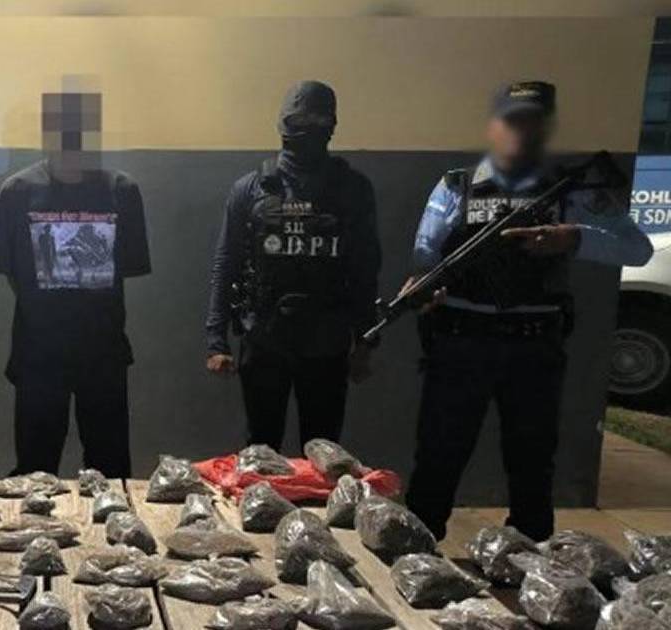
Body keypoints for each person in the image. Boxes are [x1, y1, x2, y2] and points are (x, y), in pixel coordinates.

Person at [403, 81, 653, 541]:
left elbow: (637, 249)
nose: (522, 131)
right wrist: (424, 285)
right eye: (513, 121)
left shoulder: (571, 189)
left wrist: (572, 238)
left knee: (532, 457)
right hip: (461, 338)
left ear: (546, 127)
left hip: (533, 342)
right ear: (494, 126)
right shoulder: (456, 185)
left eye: (533, 122)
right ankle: (417, 546)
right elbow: (425, 253)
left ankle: (531, 555)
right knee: (439, 451)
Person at [205, 81, 381, 451]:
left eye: (317, 121)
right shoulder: (251, 188)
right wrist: (216, 340)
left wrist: (365, 341)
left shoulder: (353, 189)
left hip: (327, 342)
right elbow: (227, 262)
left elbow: (365, 269)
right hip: (264, 338)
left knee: (324, 454)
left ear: (331, 125)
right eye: (300, 121)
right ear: (284, 123)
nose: (308, 130)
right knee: (260, 452)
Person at [0, 91, 151, 478]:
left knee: (111, 471)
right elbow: (10, 270)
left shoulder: (122, 190)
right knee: (34, 471)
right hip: (39, 353)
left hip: (103, 352)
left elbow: (126, 267)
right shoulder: (18, 192)